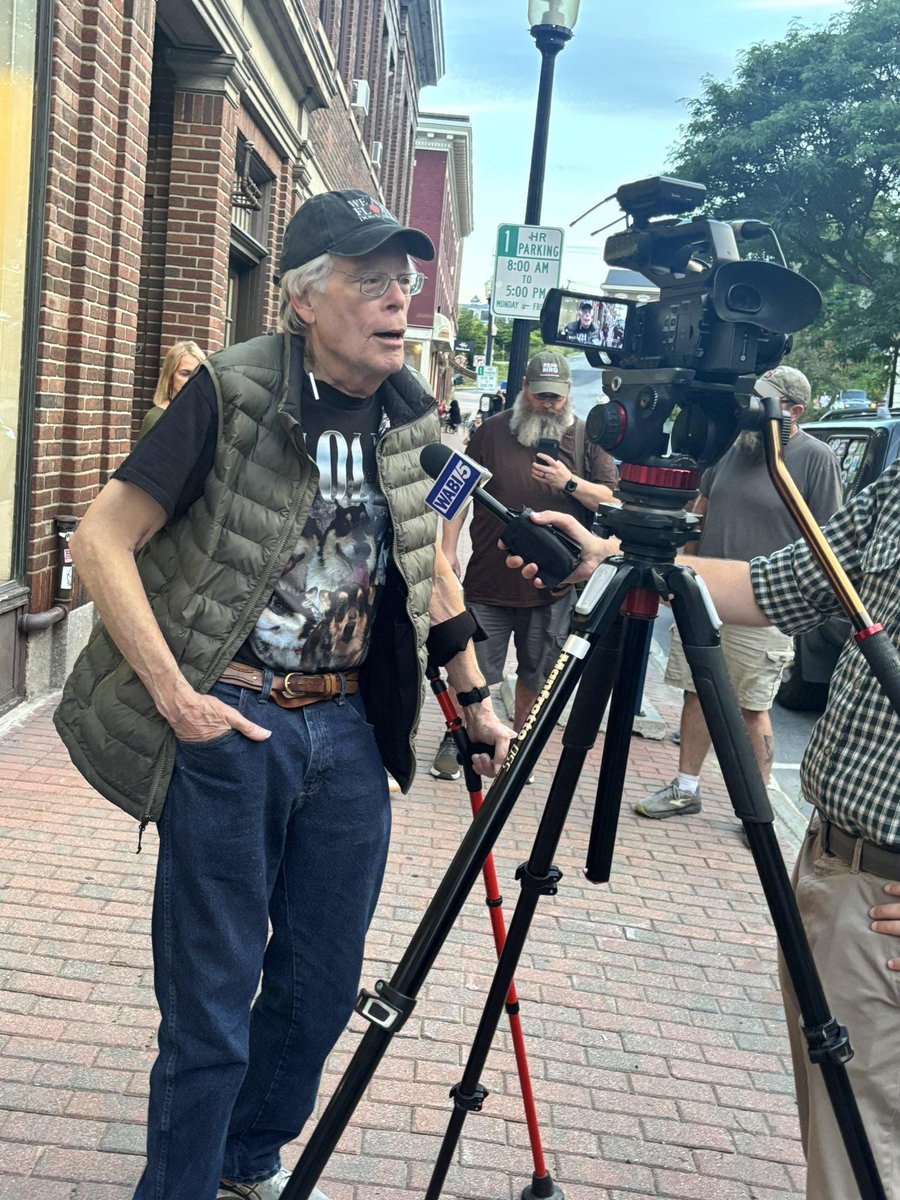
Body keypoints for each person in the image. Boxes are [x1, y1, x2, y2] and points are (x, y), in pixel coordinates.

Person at [54, 188, 511, 1200]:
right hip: (233, 723)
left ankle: (245, 1161)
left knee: (316, 991)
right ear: (306, 298)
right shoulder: (230, 389)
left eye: (405, 279)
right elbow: (100, 541)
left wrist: (473, 699)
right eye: (371, 280)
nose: (399, 298)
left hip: (349, 730)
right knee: (212, 1007)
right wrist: (179, 697)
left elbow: (430, 563)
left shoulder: (412, 418)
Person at [505, 453, 900, 1200]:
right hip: (830, 872)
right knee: (841, 1145)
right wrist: (611, 558)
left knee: (867, 1159)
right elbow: (774, 586)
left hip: (886, 900)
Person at [637, 366, 843, 818]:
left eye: (763, 402)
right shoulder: (730, 448)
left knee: (751, 706)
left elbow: (828, 538)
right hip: (705, 598)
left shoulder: (815, 458)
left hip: (765, 606)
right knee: (697, 692)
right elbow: (701, 510)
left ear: (793, 411)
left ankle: (756, 805)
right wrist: (681, 578)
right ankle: (685, 787)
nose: (750, 410)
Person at [431, 349, 618, 781]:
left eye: (555, 396)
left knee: (538, 672)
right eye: (540, 396)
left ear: (569, 394)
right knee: (474, 663)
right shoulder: (492, 431)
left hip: (554, 583)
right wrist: (447, 549)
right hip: (488, 580)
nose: (548, 404)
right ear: (524, 391)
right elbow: (455, 492)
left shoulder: (590, 437)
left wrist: (568, 481)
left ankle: (518, 741)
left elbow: (613, 501)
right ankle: (461, 735)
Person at [139, 339, 206, 438]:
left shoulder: (205, 417)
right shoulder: (156, 418)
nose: (192, 380)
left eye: (197, 374)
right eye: (185, 374)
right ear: (170, 376)